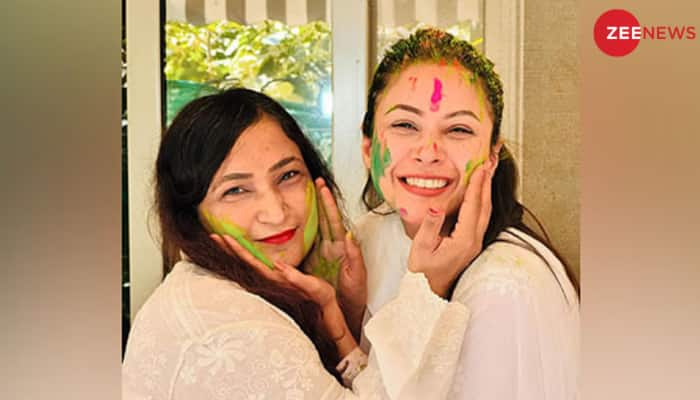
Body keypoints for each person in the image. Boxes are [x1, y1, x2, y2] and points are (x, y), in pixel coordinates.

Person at [122, 88, 475, 399]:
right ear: (192, 216)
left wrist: (341, 313)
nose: (276, 213)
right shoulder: (226, 326)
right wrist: (427, 287)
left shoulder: (237, 292)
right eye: (236, 190)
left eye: (288, 176)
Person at [346, 28, 580, 399]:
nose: (428, 152)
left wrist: (427, 289)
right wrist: (340, 312)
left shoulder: (504, 288)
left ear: (491, 156)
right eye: (406, 125)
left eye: (458, 129)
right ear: (368, 146)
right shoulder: (366, 237)